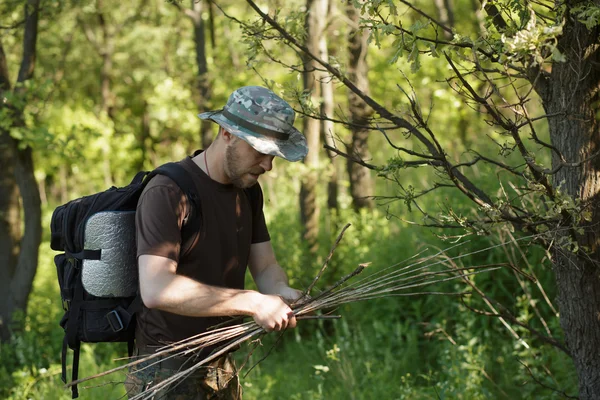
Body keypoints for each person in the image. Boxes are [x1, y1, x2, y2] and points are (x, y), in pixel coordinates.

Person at [124, 86, 309, 399]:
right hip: (165, 370)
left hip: (221, 365)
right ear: (227, 132)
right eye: (260, 151)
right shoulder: (168, 193)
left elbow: (265, 266)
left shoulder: (248, 192)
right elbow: (156, 289)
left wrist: (280, 292)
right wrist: (252, 302)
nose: (268, 165)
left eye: (273, 155)